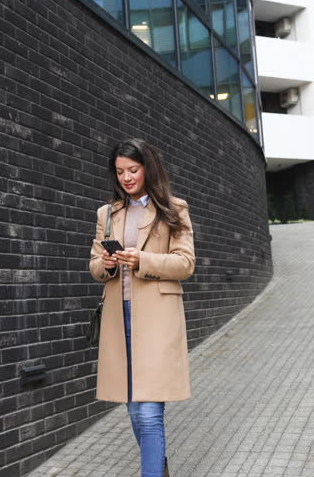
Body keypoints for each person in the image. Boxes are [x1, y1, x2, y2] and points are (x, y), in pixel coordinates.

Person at [89, 138, 195, 477]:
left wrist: (142, 260)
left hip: (157, 319)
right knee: (135, 411)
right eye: (120, 171)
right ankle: (158, 467)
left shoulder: (174, 209)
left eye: (133, 170)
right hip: (119, 319)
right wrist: (106, 264)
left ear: (148, 168)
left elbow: (185, 263)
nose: (126, 178)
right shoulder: (107, 214)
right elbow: (94, 266)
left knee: (149, 413)